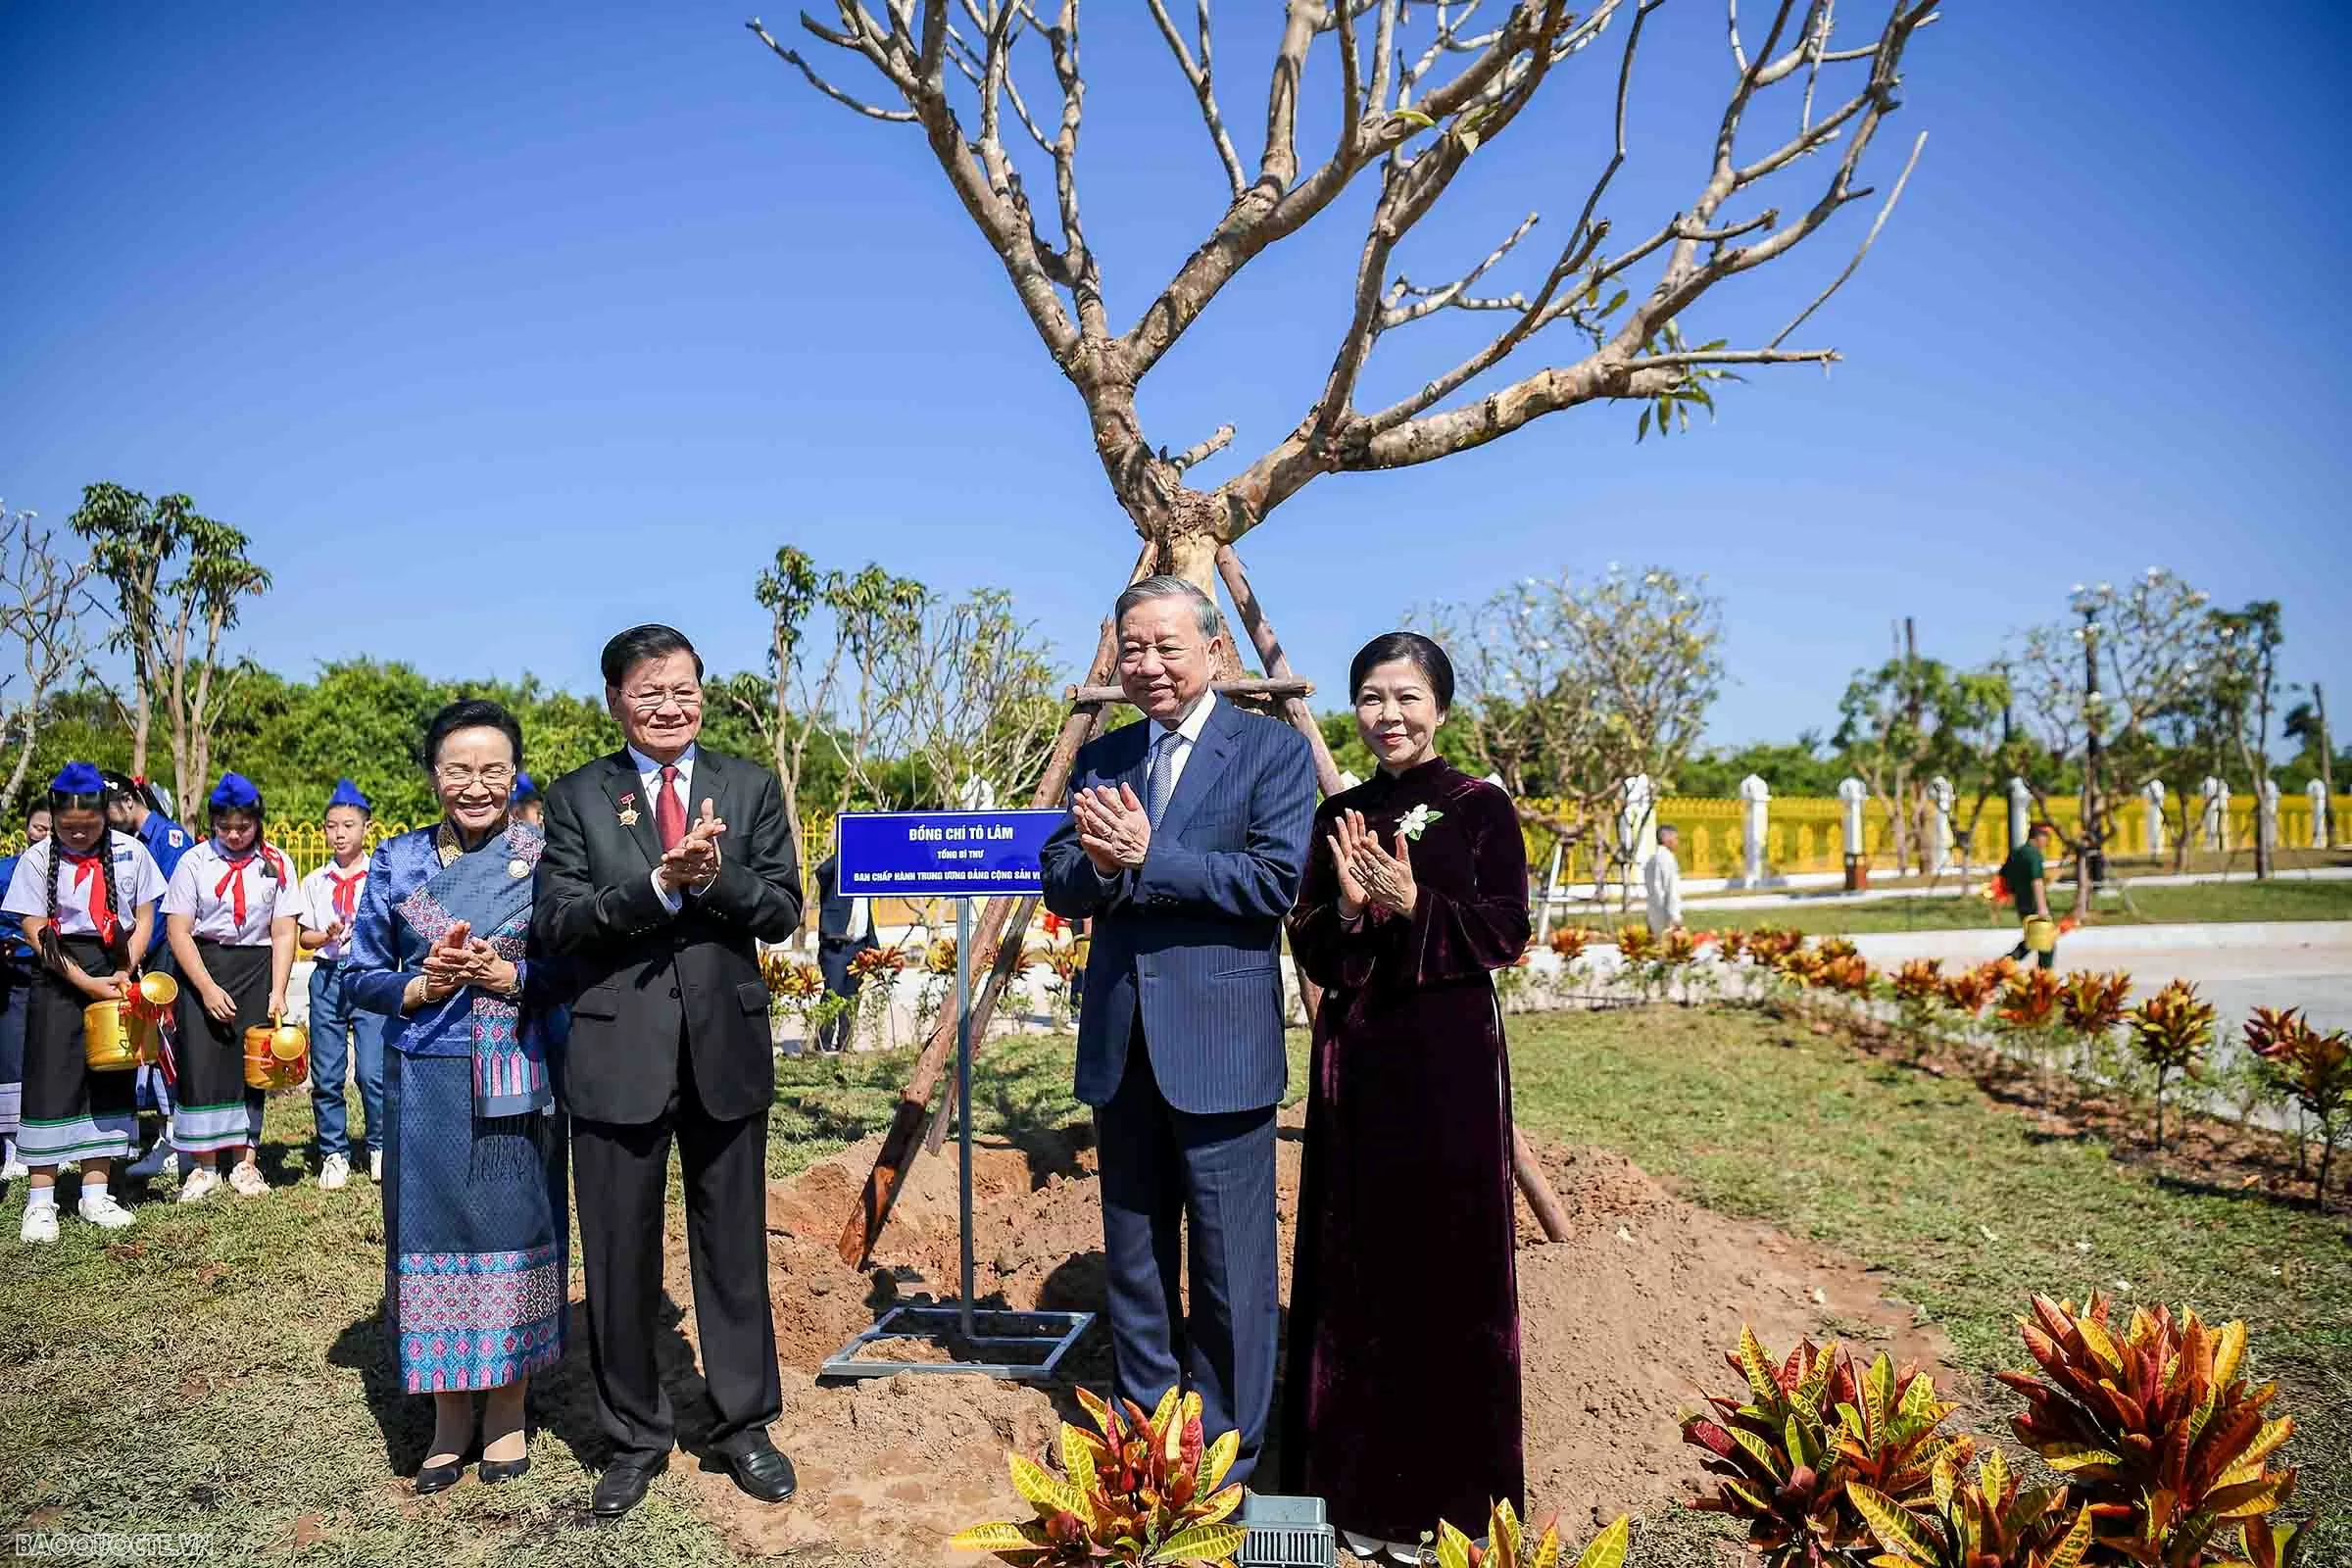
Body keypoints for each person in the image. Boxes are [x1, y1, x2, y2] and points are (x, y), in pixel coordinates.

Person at [1038, 576, 1314, 1488]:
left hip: (1222, 1044)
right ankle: (1149, 1437)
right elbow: (1062, 878)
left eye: (1167, 646)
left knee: (1233, 1263)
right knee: (1136, 1254)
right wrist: (1108, 867)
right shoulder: (1106, 756)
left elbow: (1274, 884)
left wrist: (1154, 856)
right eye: (1133, 648)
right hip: (1124, 1044)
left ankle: (1231, 1455)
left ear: (1215, 654)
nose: (1148, 665)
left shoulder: (1269, 754)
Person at [534, 623, 805, 1520]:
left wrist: (713, 877)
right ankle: (634, 1436)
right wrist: (655, 888)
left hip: (725, 1050)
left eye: (683, 688)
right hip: (617, 1054)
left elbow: (783, 912)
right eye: (648, 691)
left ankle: (742, 1426)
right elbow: (560, 924)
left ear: (703, 692)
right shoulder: (576, 797)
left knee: (732, 1251)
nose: (668, 706)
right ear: (614, 699)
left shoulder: (749, 785)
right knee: (617, 1254)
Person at [1281, 633, 1529, 1561]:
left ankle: (1447, 1512)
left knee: (1447, 1275)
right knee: (1352, 1276)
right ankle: (1340, 1507)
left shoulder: (1479, 809)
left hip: (1451, 1066)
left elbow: (1506, 931)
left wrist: (1413, 902)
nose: (1390, 716)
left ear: (1442, 708)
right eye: (1373, 698)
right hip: (1358, 1062)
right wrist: (1347, 909)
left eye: (1408, 698)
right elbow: (1313, 942)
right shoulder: (1337, 813)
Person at [346, 700, 569, 1493]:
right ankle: (449, 1418)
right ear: (435, 776)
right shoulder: (398, 863)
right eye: (458, 770)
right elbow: (354, 973)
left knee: (513, 1231)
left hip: (515, 1071)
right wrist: (418, 984)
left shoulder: (549, 859)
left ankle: (507, 1410)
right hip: (427, 1077)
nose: (475, 786)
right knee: (431, 1236)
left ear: (514, 773)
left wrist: (512, 977)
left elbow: (578, 966)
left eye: (492, 770)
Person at [3, 763, 168, 1242]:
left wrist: (125, 968)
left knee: (110, 1077)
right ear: (54, 817)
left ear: (104, 816)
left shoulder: (130, 853)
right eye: (68, 826)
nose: (79, 833)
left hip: (113, 963)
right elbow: (37, 932)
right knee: (50, 1079)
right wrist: (89, 984)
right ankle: (41, 1201)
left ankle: (96, 1192)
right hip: (58, 973)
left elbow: (145, 914)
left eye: (89, 825)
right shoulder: (37, 859)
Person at [163, 773, 299, 1202]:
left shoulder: (277, 862)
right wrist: (204, 987)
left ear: (258, 821)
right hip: (204, 964)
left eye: (244, 826)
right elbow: (178, 930)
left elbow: (282, 931)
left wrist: (278, 990)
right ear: (213, 823)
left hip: (256, 968)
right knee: (202, 1064)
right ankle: (203, 1167)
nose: (235, 835)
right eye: (226, 827)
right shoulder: (195, 862)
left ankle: (245, 1162)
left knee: (253, 1066)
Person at [299, 779, 386, 1189]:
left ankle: (380, 1145)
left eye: (348, 825)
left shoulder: (381, 875)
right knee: (327, 1072)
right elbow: (304, 937)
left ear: (366, 828)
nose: (339, 834)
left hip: (369, 976)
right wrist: (326, 933)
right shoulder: (316, 882)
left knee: (372, 1071)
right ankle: (333, 1151)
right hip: (328, 976)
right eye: (332, 826)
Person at [106, 771, 191, 1182]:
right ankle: (165, 1132)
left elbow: (168, 907)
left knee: (169, 1046)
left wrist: (134, 949)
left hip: (168, 957)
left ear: (126, 801)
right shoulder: (131, 844)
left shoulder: (169, 839)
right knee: (153, 1048)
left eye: (106, 811)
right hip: (144, 955)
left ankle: (179, 1137)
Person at [0, 802, 54, 1180]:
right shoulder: (7, 870)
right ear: (25, 830)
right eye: (38, 829)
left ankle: (58, 1141)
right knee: (14, 1058)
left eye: (52, 829)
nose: (45, 837)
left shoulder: (74, 873)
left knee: (51, 1058)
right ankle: (14, 1147)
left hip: (60, 977)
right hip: (15, 976)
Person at [811, 850, 875, 1054]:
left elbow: (868, 917)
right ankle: (823, 1045)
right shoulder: (835, 877)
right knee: (833, 995)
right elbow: (821, 872)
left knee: (851, 997)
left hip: (859, 947)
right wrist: (848, 847)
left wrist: (873, 946)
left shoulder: (864, 879)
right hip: (836, 946)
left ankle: (845, 1045)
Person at [2002, 820, 2061, 970]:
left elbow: (2004, 875)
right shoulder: (2034, 855)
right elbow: (2037, 881)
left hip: (2022, 904)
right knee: (2046, 943)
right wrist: (2042, 907)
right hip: (2035, 905)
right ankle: (2044, 978)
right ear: (2038, 836)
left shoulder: (2017, 852)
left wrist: (2012, 893)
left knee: (2033, 939)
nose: (2047, 842)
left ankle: (2005, 963)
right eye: (2046, 837)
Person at [1644, 822, 1684, 933]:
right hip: (1666, 917)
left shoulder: (1652, 860)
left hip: (1653, 915)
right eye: (1675, 838)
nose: (1677, 842)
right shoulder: (1667, 859)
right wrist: (1675, 917)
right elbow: (1671, 890)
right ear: (1666, 838)